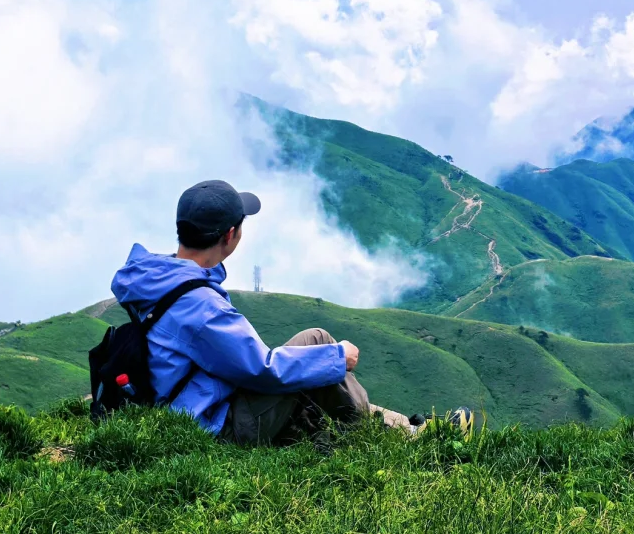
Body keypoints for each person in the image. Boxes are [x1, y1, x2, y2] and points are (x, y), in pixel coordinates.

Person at [110, 179, 411, 445]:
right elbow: (264, 370)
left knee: (311, 349)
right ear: (230, 235)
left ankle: (363, 426)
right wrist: (337, 356)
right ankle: (370, 437)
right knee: (319, 341)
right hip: (215, 424)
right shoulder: (201, 306)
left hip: (185, 400)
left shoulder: (158, 277)